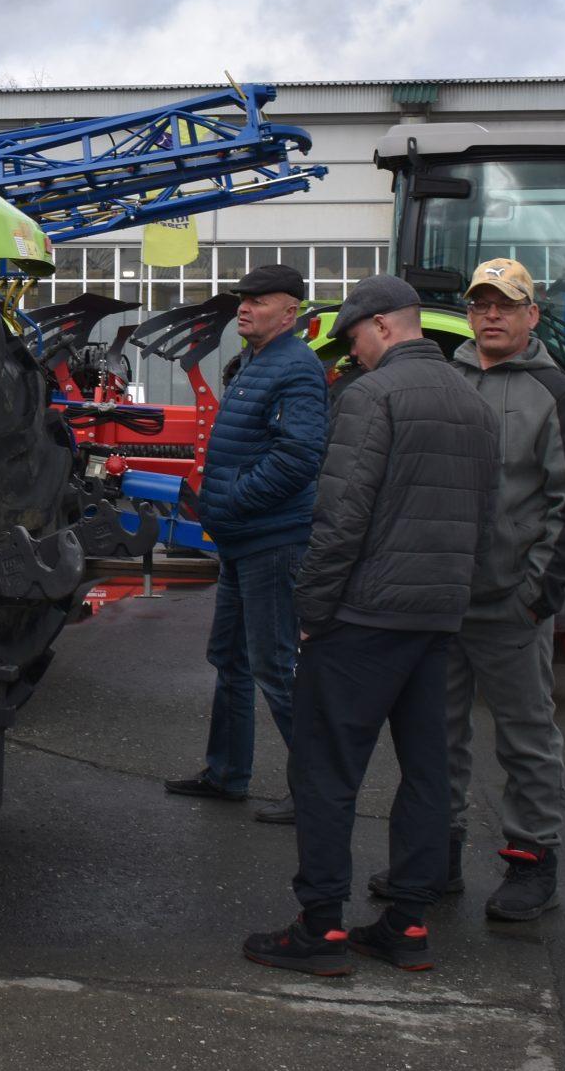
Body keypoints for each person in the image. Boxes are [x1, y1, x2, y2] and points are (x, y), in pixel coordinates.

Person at [244, 276, 498, 977]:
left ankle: (320, 926)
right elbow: (487, 520)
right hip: (436, 618)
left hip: (363, 617)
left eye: (353, 337)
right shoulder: (473, 404)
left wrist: (312, 611)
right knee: (427, 771)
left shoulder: (371, 396)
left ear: (383, 325)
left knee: (326, 770)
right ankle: (408, 922)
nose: (351, 353)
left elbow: (340, 517)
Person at [379, 258, 565, 922]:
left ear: (532, 314)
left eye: (506, 304)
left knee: (526, 736)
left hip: (511, 602)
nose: (491, 315)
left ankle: (533, 863)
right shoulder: (444, 381)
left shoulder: (556, 395)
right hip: (441, 598)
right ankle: (437, 858)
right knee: (435, 736)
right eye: (481, 304)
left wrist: (537, 595)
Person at [164, 264, 328, 823]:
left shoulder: (297, 368)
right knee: (230, 659)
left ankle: (316, 793)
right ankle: (226, 774)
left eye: (259, 300)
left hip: (271, 540)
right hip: (242, 539)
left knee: (275, 667)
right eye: (243, 298)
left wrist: (232, 499)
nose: (244, 307)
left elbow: (298, 458)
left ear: (290, 312)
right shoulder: (257, 361)